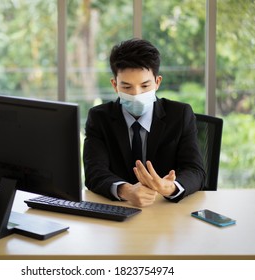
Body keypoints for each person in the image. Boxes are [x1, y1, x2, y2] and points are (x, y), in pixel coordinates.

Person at [83, 38, 205, 208]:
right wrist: (126, 191)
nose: (136, 94)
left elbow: (195, 170)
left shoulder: (180, 115)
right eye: (126, 87)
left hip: (165, 212)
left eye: (145, 86)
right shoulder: (99, 118)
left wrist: (170, 188)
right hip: (119, 211)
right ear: (114, 85)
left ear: (157, 82)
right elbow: (94, 172)